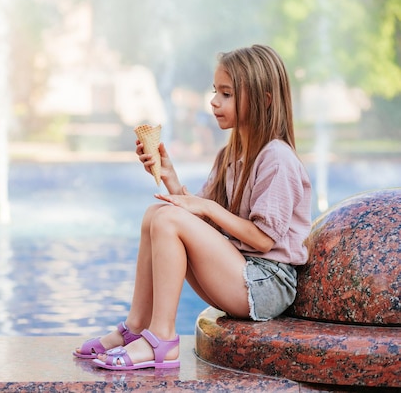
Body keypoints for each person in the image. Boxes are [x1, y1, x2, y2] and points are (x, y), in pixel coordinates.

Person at [73, 44, 312, 371]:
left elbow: (263, 240)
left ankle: (163, 338)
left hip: (267, 284)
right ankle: (138, 325)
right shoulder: (229, 156)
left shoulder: (277, 158)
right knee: (155, 215)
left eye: (227, 94)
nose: (214, 102)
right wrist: (171, 178)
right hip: (240, 272)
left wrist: (207, 209)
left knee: (168, 219)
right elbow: (200, 218)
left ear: (265, 100)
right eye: (216, 91)